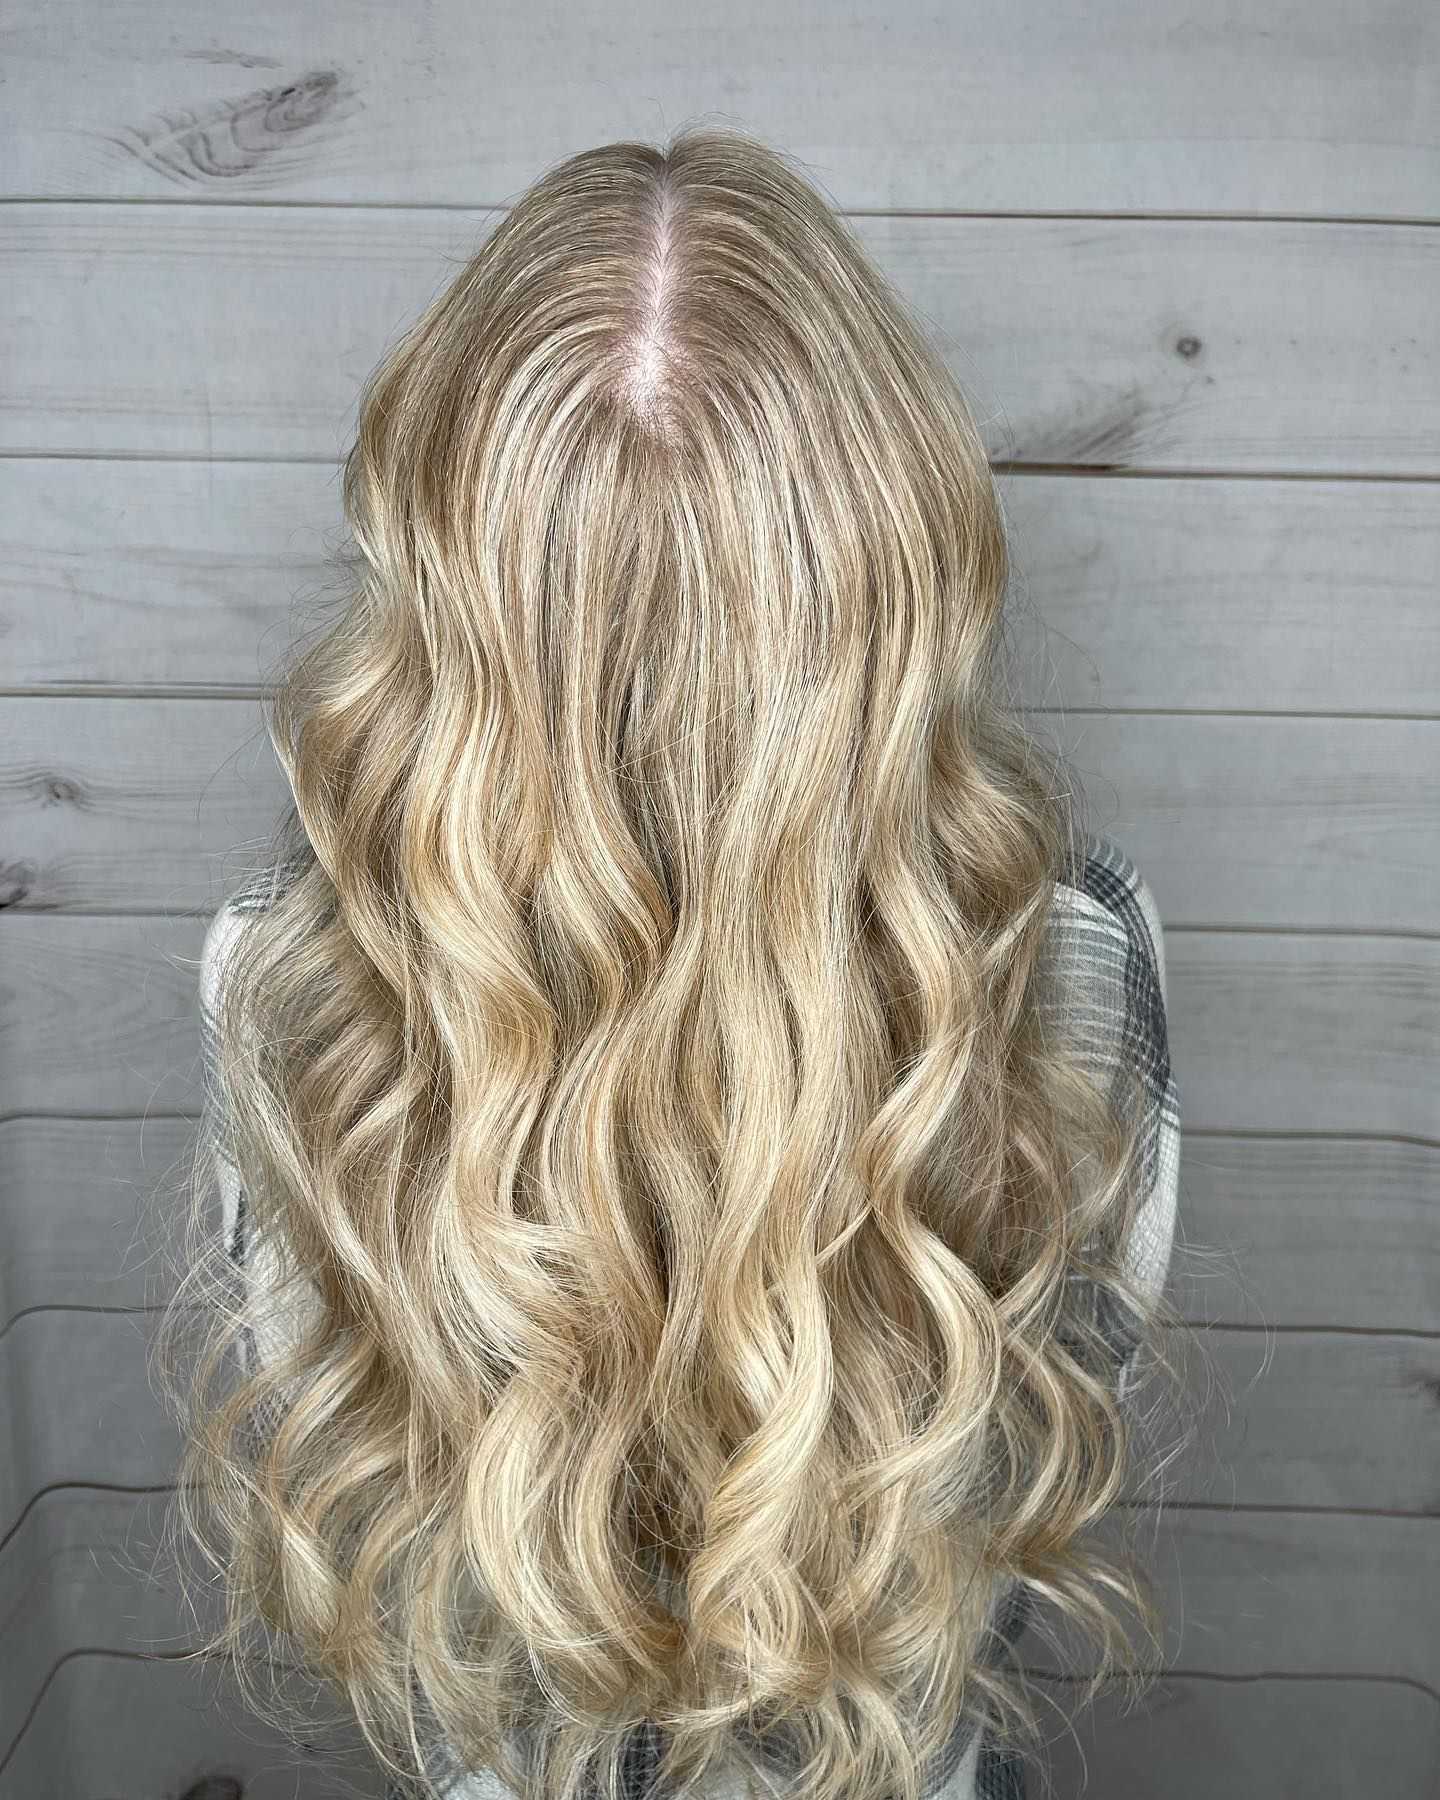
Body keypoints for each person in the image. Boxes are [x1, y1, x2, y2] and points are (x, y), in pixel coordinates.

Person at [172, 126, 1183, 1800]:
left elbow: (317, 1405)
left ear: (441, 580)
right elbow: (1051, 1427)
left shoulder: (285, 991)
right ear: (896, 581)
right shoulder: (1079, 958)